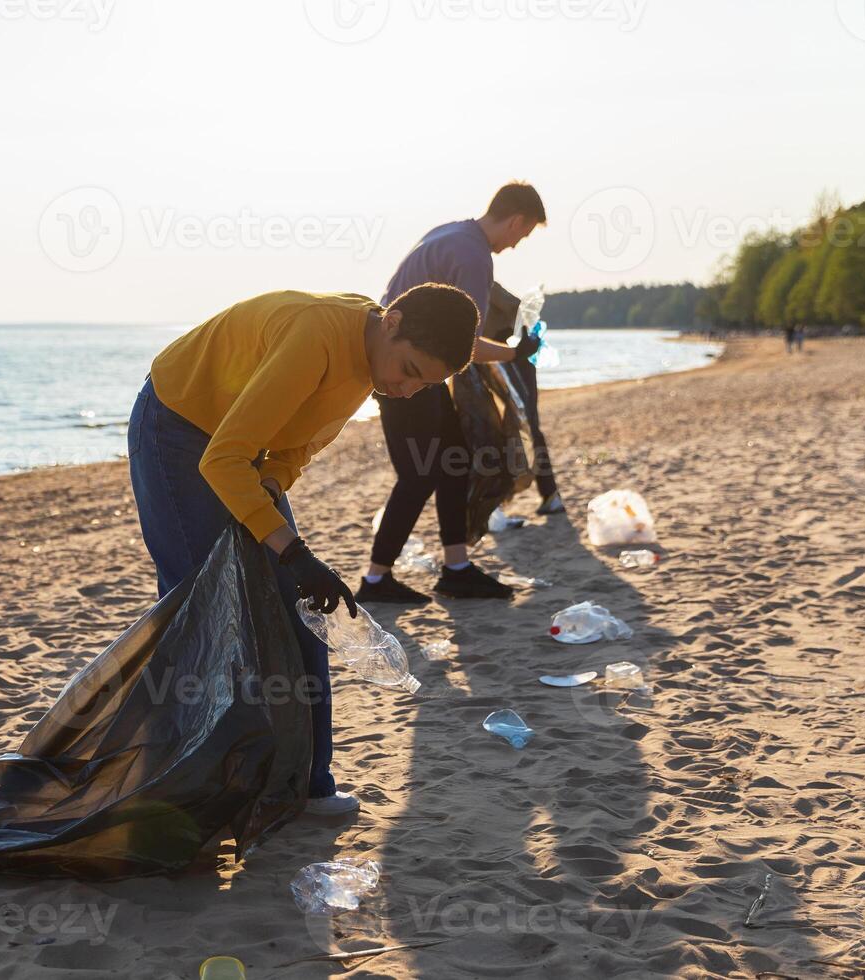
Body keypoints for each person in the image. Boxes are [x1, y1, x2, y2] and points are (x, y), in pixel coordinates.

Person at [128, 285, 480, 816]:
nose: (406, 391)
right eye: (408, 370)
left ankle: (310, 783)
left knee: (307, 606)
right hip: (176, 425)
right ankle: (173, 784)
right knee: (197, 607)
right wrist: (292, 551)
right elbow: (222, 459)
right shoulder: (317, 336)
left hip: (236, 447)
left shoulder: (372, 367)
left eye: (423, 385)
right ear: (392, 322)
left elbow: (294, 451)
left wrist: (282, 528)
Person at [358, 183, 546, 606]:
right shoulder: (473, 256)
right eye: (524, 234)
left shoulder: (450, 234)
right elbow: (468, 347)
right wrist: (516, 352)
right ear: (516, 220)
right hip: (405, 372)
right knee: (419, 473)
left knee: (452, 460)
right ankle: (375, 579)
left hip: (403, 364)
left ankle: (456, 568)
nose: (516, 245)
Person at [487, 282, 563, 513]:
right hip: (491, 356)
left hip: (513, 354)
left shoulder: (479, 278)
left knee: (528, 423)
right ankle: (496, 503)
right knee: (497, 425)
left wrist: (515, 345)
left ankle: (549, 494)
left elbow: (521, 310)